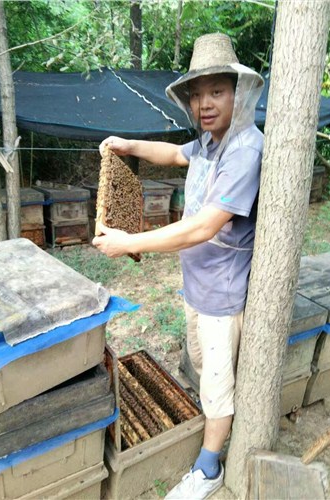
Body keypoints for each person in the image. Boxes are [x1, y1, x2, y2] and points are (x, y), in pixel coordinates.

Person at [93, 32, 264, 500]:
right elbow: (172, 154)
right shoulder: (208, 142)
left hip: (223, 293)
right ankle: (210, 423)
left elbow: (202, 227)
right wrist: (128, 144)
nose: (204, 103)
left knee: (217, 381)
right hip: (198, 283)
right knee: (205, 366)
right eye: (196, 94)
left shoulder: (245, 149)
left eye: (216, 92)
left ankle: (208, 469)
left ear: (237, 92)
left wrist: (131, 240)